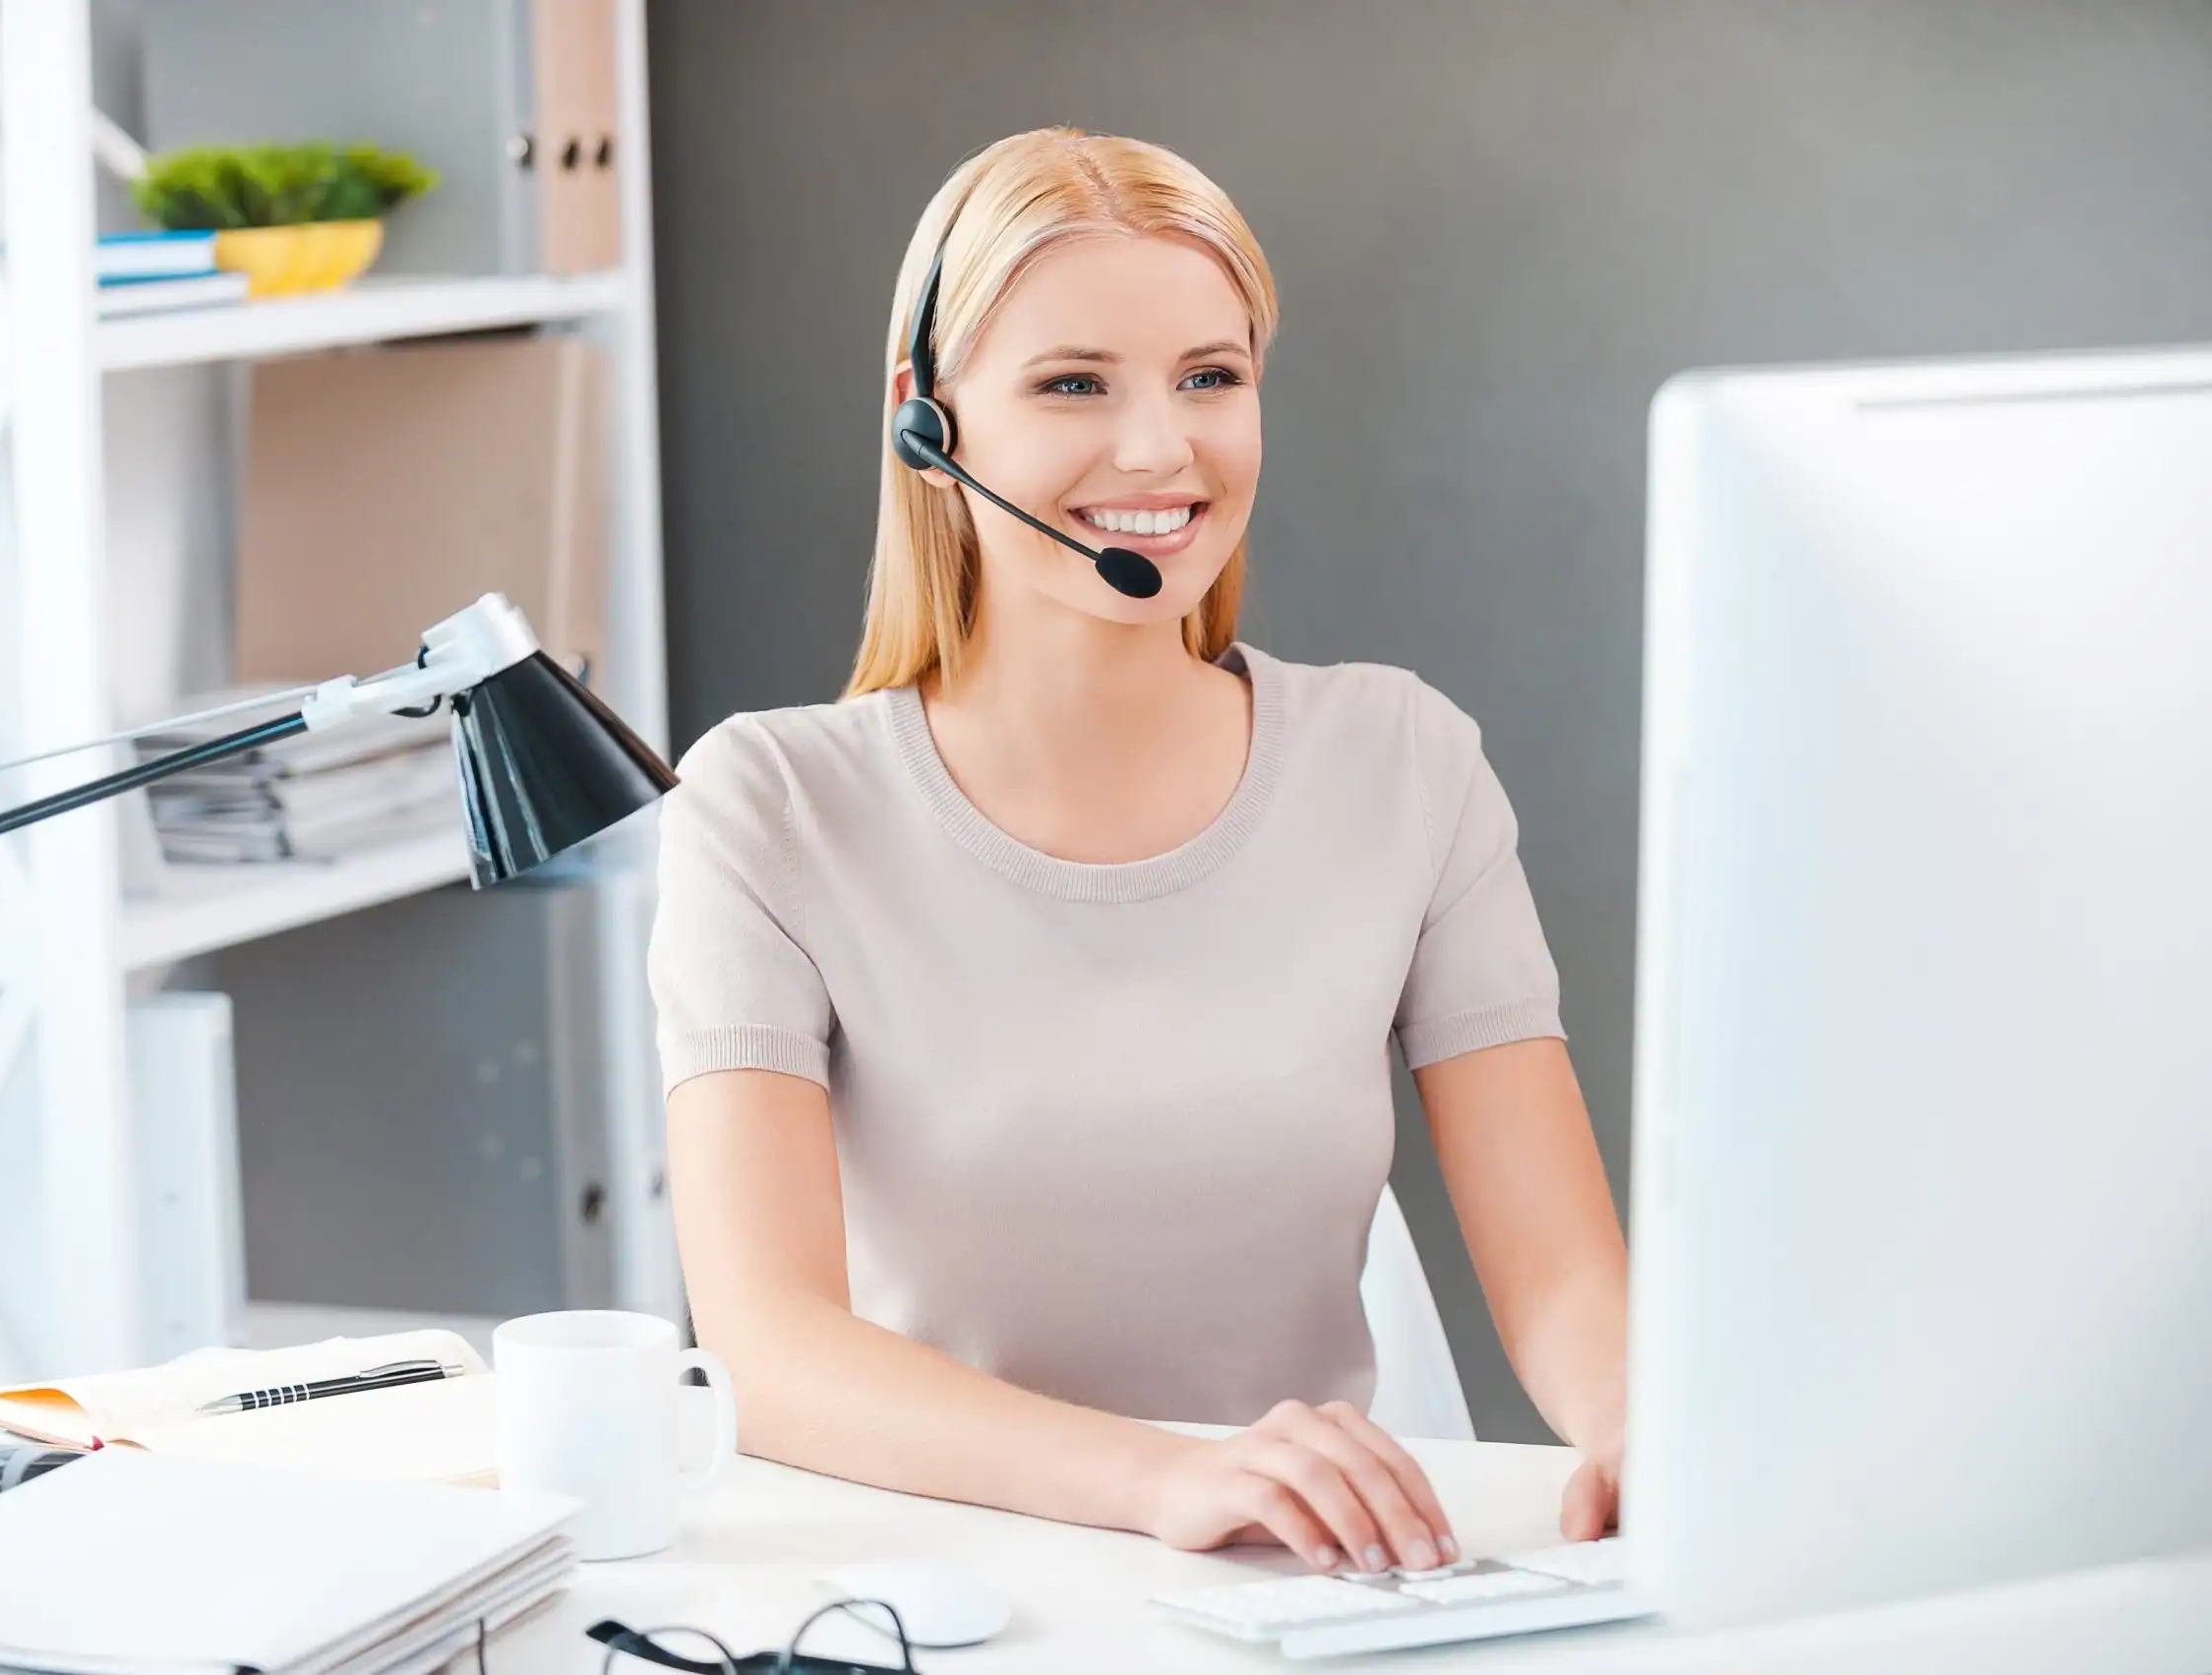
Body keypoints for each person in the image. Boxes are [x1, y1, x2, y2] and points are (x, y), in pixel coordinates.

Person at [648, 127, 1627, 1578]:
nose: (1162, 447)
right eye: (1073, 384)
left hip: (1299, 1586)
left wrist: (1642, 1423)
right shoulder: (770, 806)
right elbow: (769, 1343)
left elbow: (1561, 1276)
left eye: (1210, 377)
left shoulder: (1405, 764)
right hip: (938, 1585)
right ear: (929, 425)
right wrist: (1166, 1474)